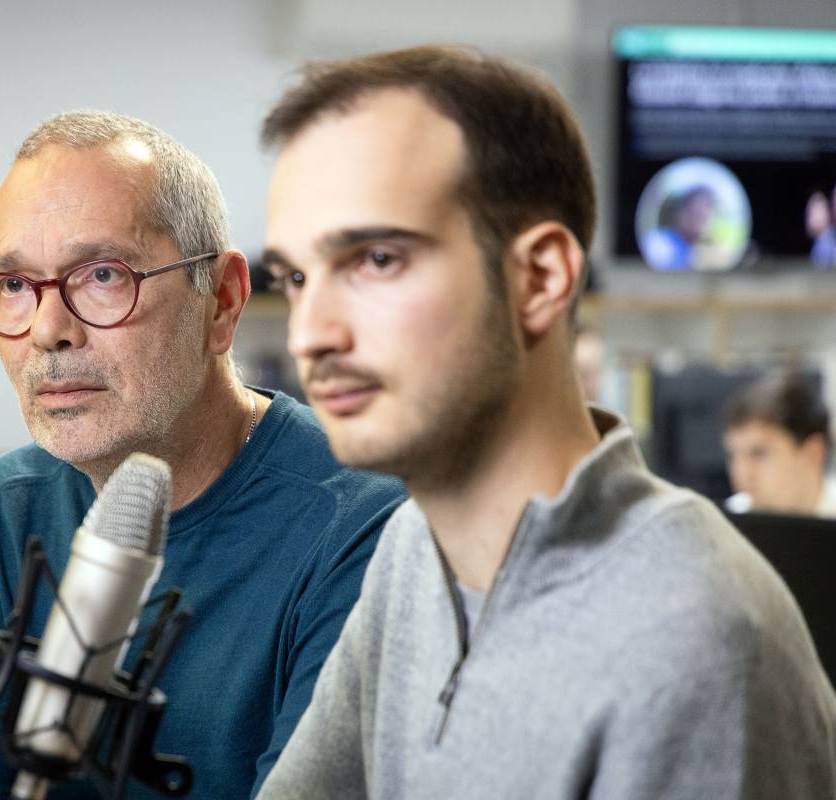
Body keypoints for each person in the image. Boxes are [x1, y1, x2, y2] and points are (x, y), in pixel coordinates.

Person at [256, 44, 836, 798]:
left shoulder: (696, 637)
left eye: (376, 260)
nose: (310, 334)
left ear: (540, 278)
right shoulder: (412, 547)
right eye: (296, 278)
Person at [0, 111, 405, 800]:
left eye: (101, 274)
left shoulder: (365, 522)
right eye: (14, 286)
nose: (49, 331)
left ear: (221, 301)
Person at [722, 370, 836, 517]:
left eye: (759, 454)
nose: (742, 473)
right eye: (733, 456)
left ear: (813, 453)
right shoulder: (723, 524)